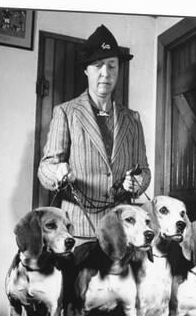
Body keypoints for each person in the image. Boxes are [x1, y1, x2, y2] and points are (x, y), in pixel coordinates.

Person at [37, 24, 151, 239]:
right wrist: (58, 172)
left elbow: (144, 170)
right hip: (77, 228)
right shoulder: (66, 112)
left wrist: (138, 182)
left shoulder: (133, 119)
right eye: (98, 65)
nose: (105, 73)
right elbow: (45, 169)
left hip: (122, 230)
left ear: (118, 69)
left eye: (111, 65)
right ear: (86, 70)